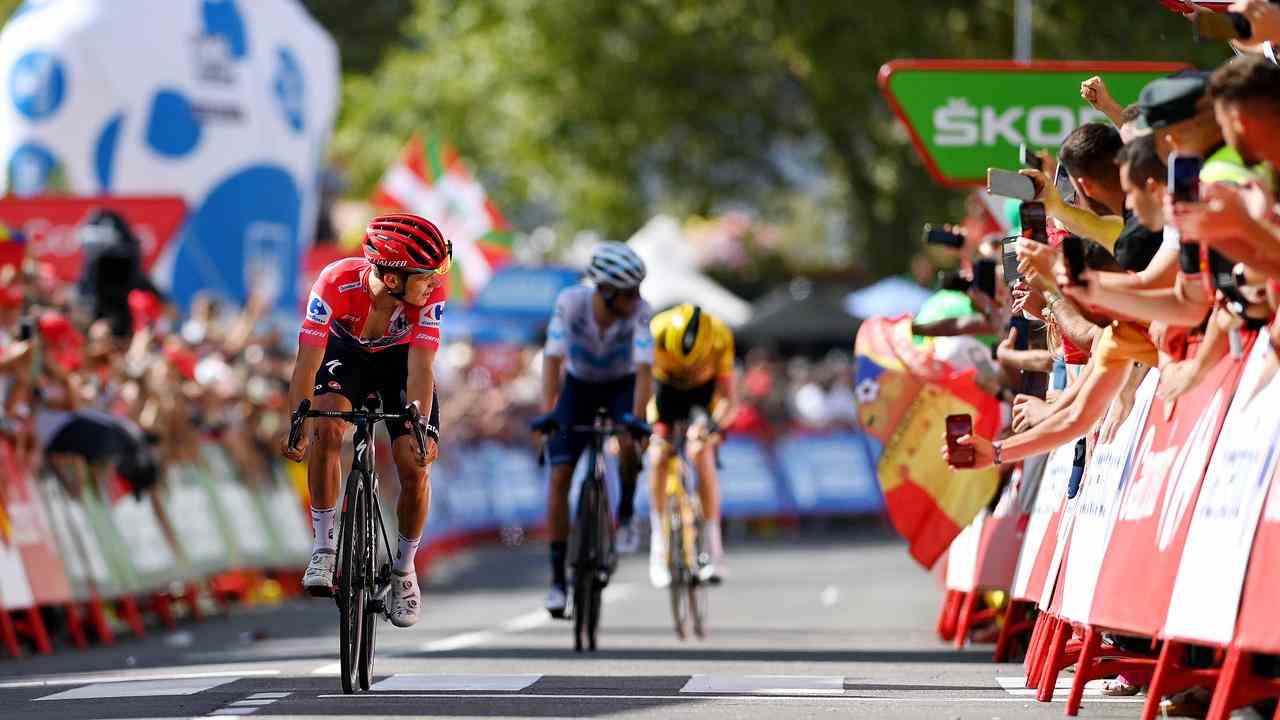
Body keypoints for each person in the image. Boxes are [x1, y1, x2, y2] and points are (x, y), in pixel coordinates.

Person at [279, 213, 448, 629]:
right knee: (327, 426)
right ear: (392, 279)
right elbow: (307, 361)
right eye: (424, 276)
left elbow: (422, 369)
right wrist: (298, 420)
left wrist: (421, 424)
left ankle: (404, 570)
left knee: (414, 461)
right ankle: (323, 547)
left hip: (400, 364)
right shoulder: (334, 282)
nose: (433, 283)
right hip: (346, 356)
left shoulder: (429, 297)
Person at [531, 242, 653, 618]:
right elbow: (552, 360)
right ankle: (557, 581)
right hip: (579, 387)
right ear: (605, 291)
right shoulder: (570, 304)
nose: (637, 299)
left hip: (622, 386)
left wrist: (635, 419)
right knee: (560, 476)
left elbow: (645, 370)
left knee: (631, 443)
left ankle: (627, 511)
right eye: (629, 292)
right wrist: (549, 413)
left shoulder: (641, 313)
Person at [645, 304, 738, 587]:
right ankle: (658, 546)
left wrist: (712, 427)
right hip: (665, 395)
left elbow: (729, 399)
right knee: (659, 456)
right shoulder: (654, 333)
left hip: (703, 399)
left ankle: (714, 548)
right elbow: (636, 387)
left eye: (693, 364)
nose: (686, 368)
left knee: (700, 451)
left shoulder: (720, 336)